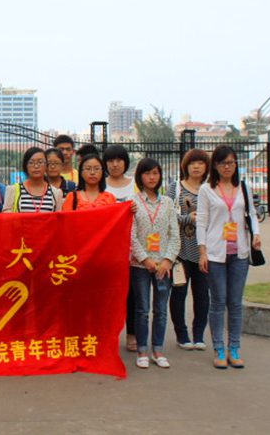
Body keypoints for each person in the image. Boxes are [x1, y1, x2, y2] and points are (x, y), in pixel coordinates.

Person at [197, 145, 261, 369]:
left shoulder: (243, 187)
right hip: (216, 253)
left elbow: (252, 214)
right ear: (215, 165)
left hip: (239, 253)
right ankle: (219, 348)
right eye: (223, 163)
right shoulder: (207, 189)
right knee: (218, 301)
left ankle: (234, 347)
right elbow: (202, 221)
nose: (227, 167)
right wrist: (202, 252)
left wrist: (256, 235)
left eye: (231, 162)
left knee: (235, 303)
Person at [129, 158, 180, 369]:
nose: (151, 177)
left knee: (161, 310)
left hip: (163, 266)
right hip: (140, 265)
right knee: (142, 309)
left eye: (155, 173)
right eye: (147, 173)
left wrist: (167, 260)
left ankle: (158, 349)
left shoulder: (167, 203)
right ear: (140, 176)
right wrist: (145, 259)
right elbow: (130, 236)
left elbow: (174, 234)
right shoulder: (133, 202)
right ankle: (142, 349)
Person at [167, 149, 211, 351]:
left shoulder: (210, 188)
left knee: (202, 295)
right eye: (192, 163)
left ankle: (199, 334)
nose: (196, 166)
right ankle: (182, 335)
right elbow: (167, 215)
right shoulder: (175, 188)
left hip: (204, 251)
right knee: (179, 294)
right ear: (185, 165)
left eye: (200, 163)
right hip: (180, 252)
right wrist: (188, 218)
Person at [103, 144, 137, 352]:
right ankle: (108, 336)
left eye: (119, 160)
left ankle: (132, 334)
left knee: (132, 295)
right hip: (108, 249)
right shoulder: (102, 185)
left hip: (133, 248)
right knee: (107, 296)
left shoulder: (135, 184)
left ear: (125, 162)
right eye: (110, 161)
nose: (115, 164)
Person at [2, 147, 63, 213]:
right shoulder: (12, 190)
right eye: (31, 163)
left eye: (40, 162)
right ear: (25, 166)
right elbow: (6, 216)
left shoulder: (56, 193)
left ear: (46, 165)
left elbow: (58, 217)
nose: (36, 166)